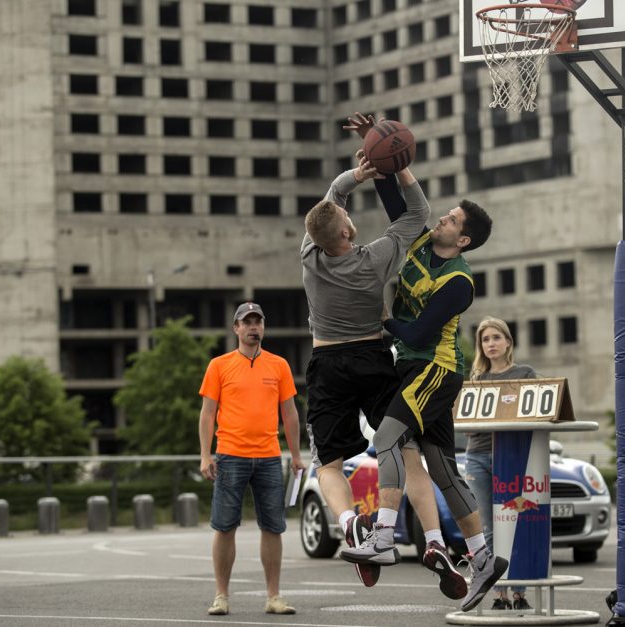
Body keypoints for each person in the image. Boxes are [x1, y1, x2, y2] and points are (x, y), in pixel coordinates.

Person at [301, 113, 465, 599]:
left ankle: (350, 523)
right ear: (349, 234)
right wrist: (389, 168)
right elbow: (417, 209)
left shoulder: (310, 256)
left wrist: (353, 177)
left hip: (327, 362)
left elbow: (332, 199)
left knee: (329, 465)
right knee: (404, 450)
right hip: (374, 357)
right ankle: (433, 541)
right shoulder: (377, 257)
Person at [340, 169, 504, 613]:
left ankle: (382, 537)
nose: (443, 220)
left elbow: (414, 334)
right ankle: (484, 558)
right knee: (441, 468)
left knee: (386, 439)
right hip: (418, 370)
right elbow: (396, 201)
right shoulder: (419, 240)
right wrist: (381, 163)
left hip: (435, 369)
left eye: (451, 220)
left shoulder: (458, 282)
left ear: (463, 240)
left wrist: (382, 316)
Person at [198, 302, 306, 616]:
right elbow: (207, 415)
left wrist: (297, 455)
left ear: (263, 327)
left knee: (273, 527)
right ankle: (221, 596)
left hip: (270, 456)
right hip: (230, 456)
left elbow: (290, 413)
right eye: (247, 323)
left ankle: (273, 596)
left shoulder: (279, 365)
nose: (253, 327)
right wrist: (206, 455)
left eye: (257, 322)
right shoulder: (219, 365)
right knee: (225, 526)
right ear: (236, 329)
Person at [466, 317, 538, 611]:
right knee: (488, 527)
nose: (491, 344)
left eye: (496, 337)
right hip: (477, 456)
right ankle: (499, 594)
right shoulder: (476, 379)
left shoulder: (525, 373)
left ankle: (518, 592)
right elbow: (469, 424)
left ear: (508, 341)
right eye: (485, 340)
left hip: (511, 457)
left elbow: (536, 412)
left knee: (514, 522)